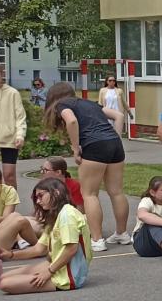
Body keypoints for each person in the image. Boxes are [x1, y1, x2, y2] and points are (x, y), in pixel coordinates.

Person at [42, 82, 130, 253]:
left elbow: (72, 121)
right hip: (114, 144)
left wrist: (76, 149)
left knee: (89, 194)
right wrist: (116, 138)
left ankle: (97, 239)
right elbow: (119, 115)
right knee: (117, 192)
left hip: (93, 144)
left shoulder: (62, 104)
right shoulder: (90, 103)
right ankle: (122, 233)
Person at [0, 178, 92, 295]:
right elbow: (39, 249)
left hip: (68, 276)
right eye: (36, 198)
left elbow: (71, 249)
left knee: (5, 284)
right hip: (56, 266)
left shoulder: (67, 215)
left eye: (41, 196)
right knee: (2, 278)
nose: (38, 201)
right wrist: (11, 255)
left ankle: (58, 281)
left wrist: (49, 272)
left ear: (56, 192)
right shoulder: (55, 216)